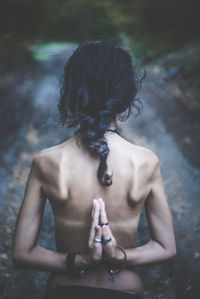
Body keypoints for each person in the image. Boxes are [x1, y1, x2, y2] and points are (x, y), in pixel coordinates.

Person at [12, 39, 176, 299]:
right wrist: (118, 256)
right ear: (125, 95)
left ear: (73, 92)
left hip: (65, 289)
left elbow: (22, 253)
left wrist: (76, 262)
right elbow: (166, 248)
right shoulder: (145, 161)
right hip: (125, 289)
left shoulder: (47, 161)